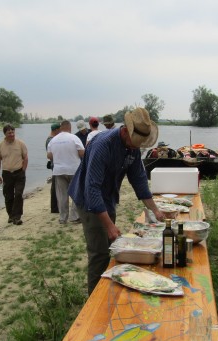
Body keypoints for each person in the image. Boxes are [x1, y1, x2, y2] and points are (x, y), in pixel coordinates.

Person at [69, 107, 166, 294]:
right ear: (125, 131)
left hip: (108, 198)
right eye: (136, 141)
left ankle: (106, 290)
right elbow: (92, 188)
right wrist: (109, 225)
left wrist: (155, 210)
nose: (137, 145)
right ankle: (94, 300)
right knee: (99, 252)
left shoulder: (133, 147)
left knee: (111, 246)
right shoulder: (103, 145)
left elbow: (138, 179)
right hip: (89, 200)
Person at [47, 120, 85, 224]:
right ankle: (74, 216)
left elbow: (49, 156)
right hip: (74, 169)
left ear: (60, 128)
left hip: (59, 171)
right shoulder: (74, 138)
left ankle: (63, 218)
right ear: (69, 127)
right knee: (76, 193)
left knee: (62, 195)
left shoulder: (53, 140)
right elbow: (82, 153)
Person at [0, 124, 29, 225]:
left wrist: (23, 170)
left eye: (13, 132)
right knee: (8, 196)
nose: (12, 134)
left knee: (18, 194)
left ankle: (17, 217)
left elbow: (26, 157)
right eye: (9, 132)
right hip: (7, 174)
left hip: (19, 173)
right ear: (5, 134)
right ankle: (11, 215)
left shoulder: (20, 143)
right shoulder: (0, 146)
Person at [46, 123, 61, 213]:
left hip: (56, 164)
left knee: (56, 185)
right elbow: (50, 155)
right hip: (55, 165)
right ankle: (54, 208)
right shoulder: (50, 140)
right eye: (59, 130)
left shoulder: (51, 139)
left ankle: (56, 206)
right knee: (55, 186)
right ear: (56, 130)